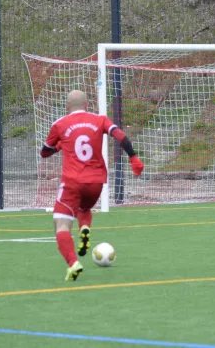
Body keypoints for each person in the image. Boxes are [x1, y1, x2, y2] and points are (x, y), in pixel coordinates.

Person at [40, 90, 144, 282]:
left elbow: (44, 152)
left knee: (61, 225)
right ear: (87, 105)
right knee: (84, 207)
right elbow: (120, 136)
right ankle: (85, 226)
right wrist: (133, 158)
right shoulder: (100, 119)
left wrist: (59, 146)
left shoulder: (60, 124)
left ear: (67, 106)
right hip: (96, 182)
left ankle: (73, 263)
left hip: (72, 181)